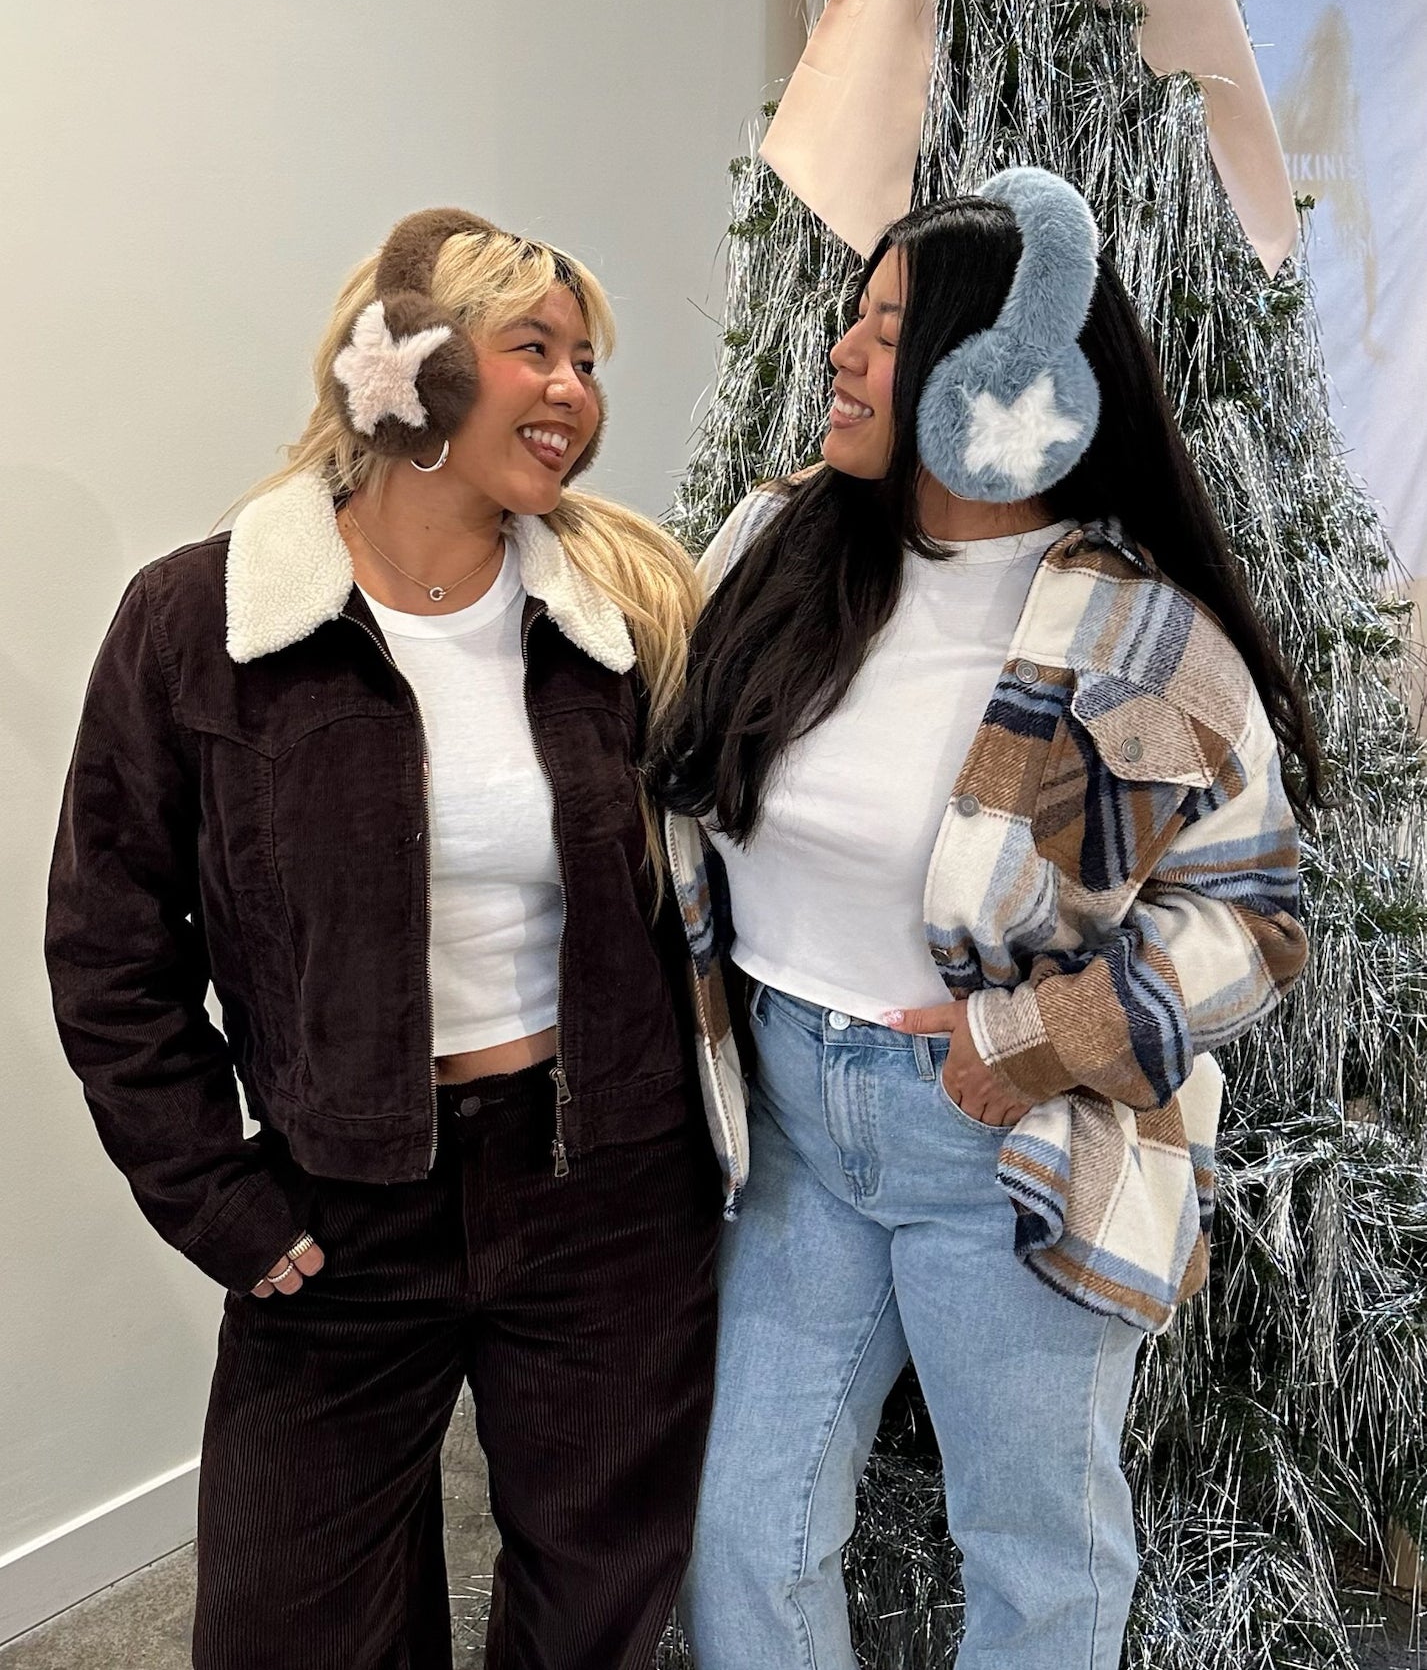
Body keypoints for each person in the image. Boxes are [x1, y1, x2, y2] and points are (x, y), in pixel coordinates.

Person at [47, 208, 738, 1670]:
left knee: (594, 1598)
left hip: (602, 1182)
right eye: (533, 349)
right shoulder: (203, 621)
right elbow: (111, 945)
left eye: (588, 361)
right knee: (283, 1625)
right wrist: (218, 1195)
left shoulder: (619, 607)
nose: (575, 390)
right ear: (413, 369)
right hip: (342, 1198)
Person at [652, 169, 1316, 1670]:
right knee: (745, 1534)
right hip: (790, 1131)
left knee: (1035, 1551)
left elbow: (1255, 911)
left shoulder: (1143, 639)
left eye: (886, 327)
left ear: (997, 375)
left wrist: (1031, 1037)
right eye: (856, 315)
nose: (839, 348)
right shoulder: (775, 546)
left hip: (1007, 1142)